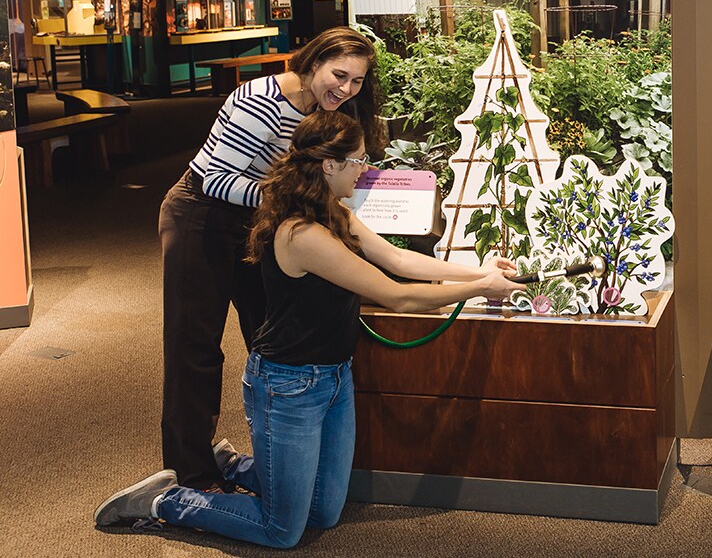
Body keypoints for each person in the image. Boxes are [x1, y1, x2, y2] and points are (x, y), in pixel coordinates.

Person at [98, 111, 524, 546]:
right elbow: (398, 294)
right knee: (281, 530)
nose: (366, 169)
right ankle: (165, 501)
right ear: (328, 165)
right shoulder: (303, 234)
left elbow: (399, 261)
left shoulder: (334, 211)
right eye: (358, 160)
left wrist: (476, 270)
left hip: (334, 376)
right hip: (288, 385)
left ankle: (232, 465)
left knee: (324, 512)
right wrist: (478, 288)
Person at [158, 26, 384, 492]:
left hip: (262, 217)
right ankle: (192, 474)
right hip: (203, 213)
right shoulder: (258, 101)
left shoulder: (333, 108)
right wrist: (295, 201)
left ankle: (276, 464)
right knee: (195, 346)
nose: (345, 89)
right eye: (338, 75)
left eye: (357, 81)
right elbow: (218, 178)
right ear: (313, 62)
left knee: (274, 337)